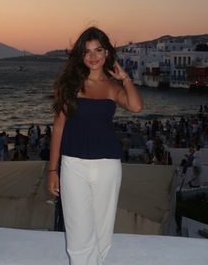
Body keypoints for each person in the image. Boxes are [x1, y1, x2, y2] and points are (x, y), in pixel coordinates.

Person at [48, 27, 143, 265]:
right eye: (87, 51)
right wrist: (53, 170)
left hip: (107, 165)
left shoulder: (113, 86)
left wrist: (126, 79)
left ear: (107, 52)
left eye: (98, 50)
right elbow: (58, 127)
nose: (93, 56)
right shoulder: (69, 85)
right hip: (73, 165)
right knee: (78, 231)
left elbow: (136, 107)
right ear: (80, 55)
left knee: (102, 231)